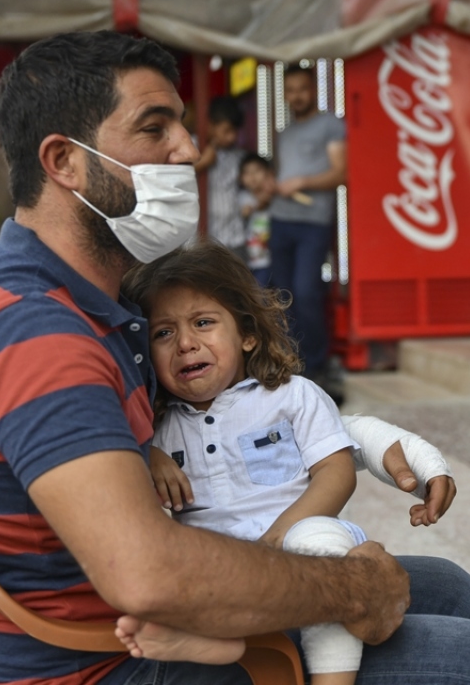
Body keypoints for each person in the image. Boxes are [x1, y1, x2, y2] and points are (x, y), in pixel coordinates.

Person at [0, 31, 470, 685]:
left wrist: (359, 441)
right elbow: (148, 573)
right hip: (102, 660)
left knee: (446, 588)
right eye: (154, 128)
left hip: (118, 608)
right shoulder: (35, 336)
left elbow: (255, 412)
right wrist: (350, 590)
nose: (189, 151)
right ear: (65, 162)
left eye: (183, 128)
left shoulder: (60, 294)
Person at [116, 240, 421, 683]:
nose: (185, 344)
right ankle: (204, 643)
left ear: (247, 334)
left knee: (320, 546)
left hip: (297, 553)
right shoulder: (158, 427)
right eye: (163, 333)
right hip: (217, 574)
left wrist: (281, 538)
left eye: (203, 323)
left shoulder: (290, 396)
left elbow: (335, 473)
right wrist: (147, 455)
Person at [255, 64, 346, 385]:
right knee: (281, 294)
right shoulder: (284, 133)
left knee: (307, 292)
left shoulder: (330, 124)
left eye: (302, 89)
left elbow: (341, 173)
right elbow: (281, 178)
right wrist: (271, 187)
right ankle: (290, 361)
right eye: (290, 90)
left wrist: (302, 182)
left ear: (314, 90)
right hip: (280, 220)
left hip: (313, 222)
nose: (296, 96)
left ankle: (316, 363)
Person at [192, 95, 255, 258]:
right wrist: (202, 163)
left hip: (234, 237)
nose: (232, 137)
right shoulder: (192, 147)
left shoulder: (239, 157)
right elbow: (171, 179)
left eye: (235, 131)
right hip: (201, 240)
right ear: (211, 125)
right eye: (226, 130)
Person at [238, 152, 275, 286]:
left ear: (269, 173)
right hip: (246, 259)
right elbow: (243, 213)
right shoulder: (241, 198)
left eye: (257, 171)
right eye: (247, 173)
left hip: (269, 260)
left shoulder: (276, 198)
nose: (252, 177)